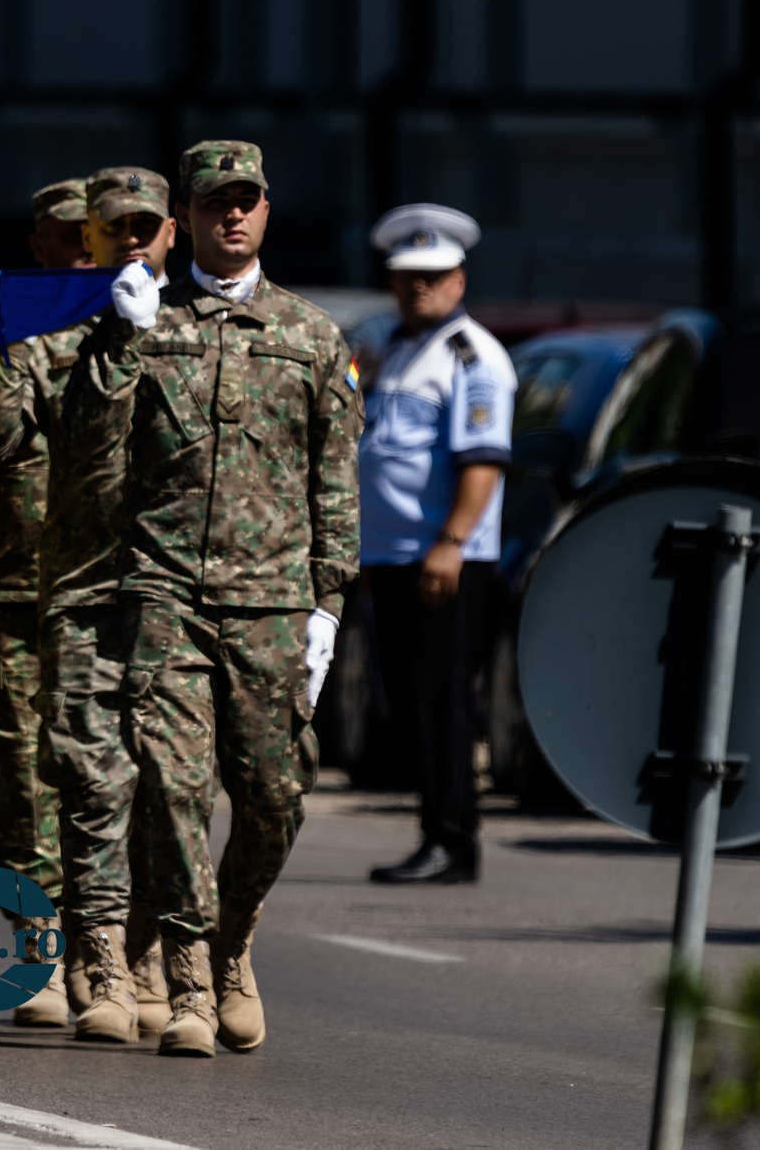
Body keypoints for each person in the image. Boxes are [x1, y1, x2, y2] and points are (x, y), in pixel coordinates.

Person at [71, 141, 358, 1058]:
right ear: (184, 217)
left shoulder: (312, 335)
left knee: (275, 794)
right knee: (177, 787)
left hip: (274, 601)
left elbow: (335, 480)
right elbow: (89, 451)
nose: (232, 215)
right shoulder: (147, 319)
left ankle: (235, 936)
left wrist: (329, 605)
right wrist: (119, 342)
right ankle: (193, 980)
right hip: (165, 594)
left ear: (266, 212)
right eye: (214, 202)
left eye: (247, 200)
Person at [37, 164, 188, 1043]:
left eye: (146, 226)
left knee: (175, 782)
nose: (132, 240)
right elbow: (65, 446)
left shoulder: (210, 326)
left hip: (183, 593)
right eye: (114, 228)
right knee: (92, 778)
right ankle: (94, 956)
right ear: (88, 237)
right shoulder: (58, 325)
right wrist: (119, 344)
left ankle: (160, 953)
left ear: (172, 232)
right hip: (88, 584)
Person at [0, 178, 95, 1029]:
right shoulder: (0, 328)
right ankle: (39, 949)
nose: (79, 251)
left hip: (109, 588)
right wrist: (22, 341)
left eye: (93, 237)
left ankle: (114, 946)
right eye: (63, 237)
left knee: (110, 769)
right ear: (37, 243)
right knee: (26, 774)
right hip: (12, 586)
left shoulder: (137, 325)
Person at [359, 204, 513, 888]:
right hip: (393, 556)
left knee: (444, 702)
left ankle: (453, 840)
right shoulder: (396, 346)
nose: (417, 287)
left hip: (443, 559)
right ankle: (434, 830)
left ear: (458, 278)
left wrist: (451, 541)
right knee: (412, 703)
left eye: (432, 275)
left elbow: (482, 461)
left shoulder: (471, 356)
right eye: (406, 275)